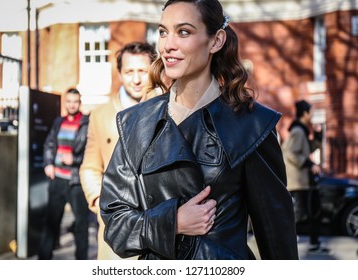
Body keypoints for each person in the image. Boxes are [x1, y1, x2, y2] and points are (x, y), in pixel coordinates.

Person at [99, 0, 298, 260]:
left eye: (184, 32)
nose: (168, 45)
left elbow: (276, 235)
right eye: (162, 32)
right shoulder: (136, 123)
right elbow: (115, 224)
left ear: (216, 41)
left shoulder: (251, 124)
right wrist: (173, 222)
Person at [79, 41, 159, 259]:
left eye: (142, 71)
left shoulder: (169, 107)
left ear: (153, 70)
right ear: (120, 73)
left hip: (160, 225)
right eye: (129, 71)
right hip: (116, 230)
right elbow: (90, 167)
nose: (136, 79)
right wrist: (99, 202)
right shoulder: (100, 114)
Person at [38, 87, 90, 260]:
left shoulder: (87, 123)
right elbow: (49, 145)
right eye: (69, 101)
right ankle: (43, 260)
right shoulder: (58, 122)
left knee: (82, 225)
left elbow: (91, 152)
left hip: (76, 182)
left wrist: (74, 158)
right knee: (51, 224)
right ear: (65, 102)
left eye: (75, 101)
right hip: (57, 180)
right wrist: (48, 164)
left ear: (79, 103)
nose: (72, 105)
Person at [282, 99, 329, 254]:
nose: (313, 115)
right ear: (305, 113)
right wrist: (310, 165)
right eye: (312, 112)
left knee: (313, 211)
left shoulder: (301, 130)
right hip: (298, 182)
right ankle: (288, 243)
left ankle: (314, 243)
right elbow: (289, 153)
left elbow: (307, 150)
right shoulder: (298, 131)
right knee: (301, 214)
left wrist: (317, 135)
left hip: (304, 181)